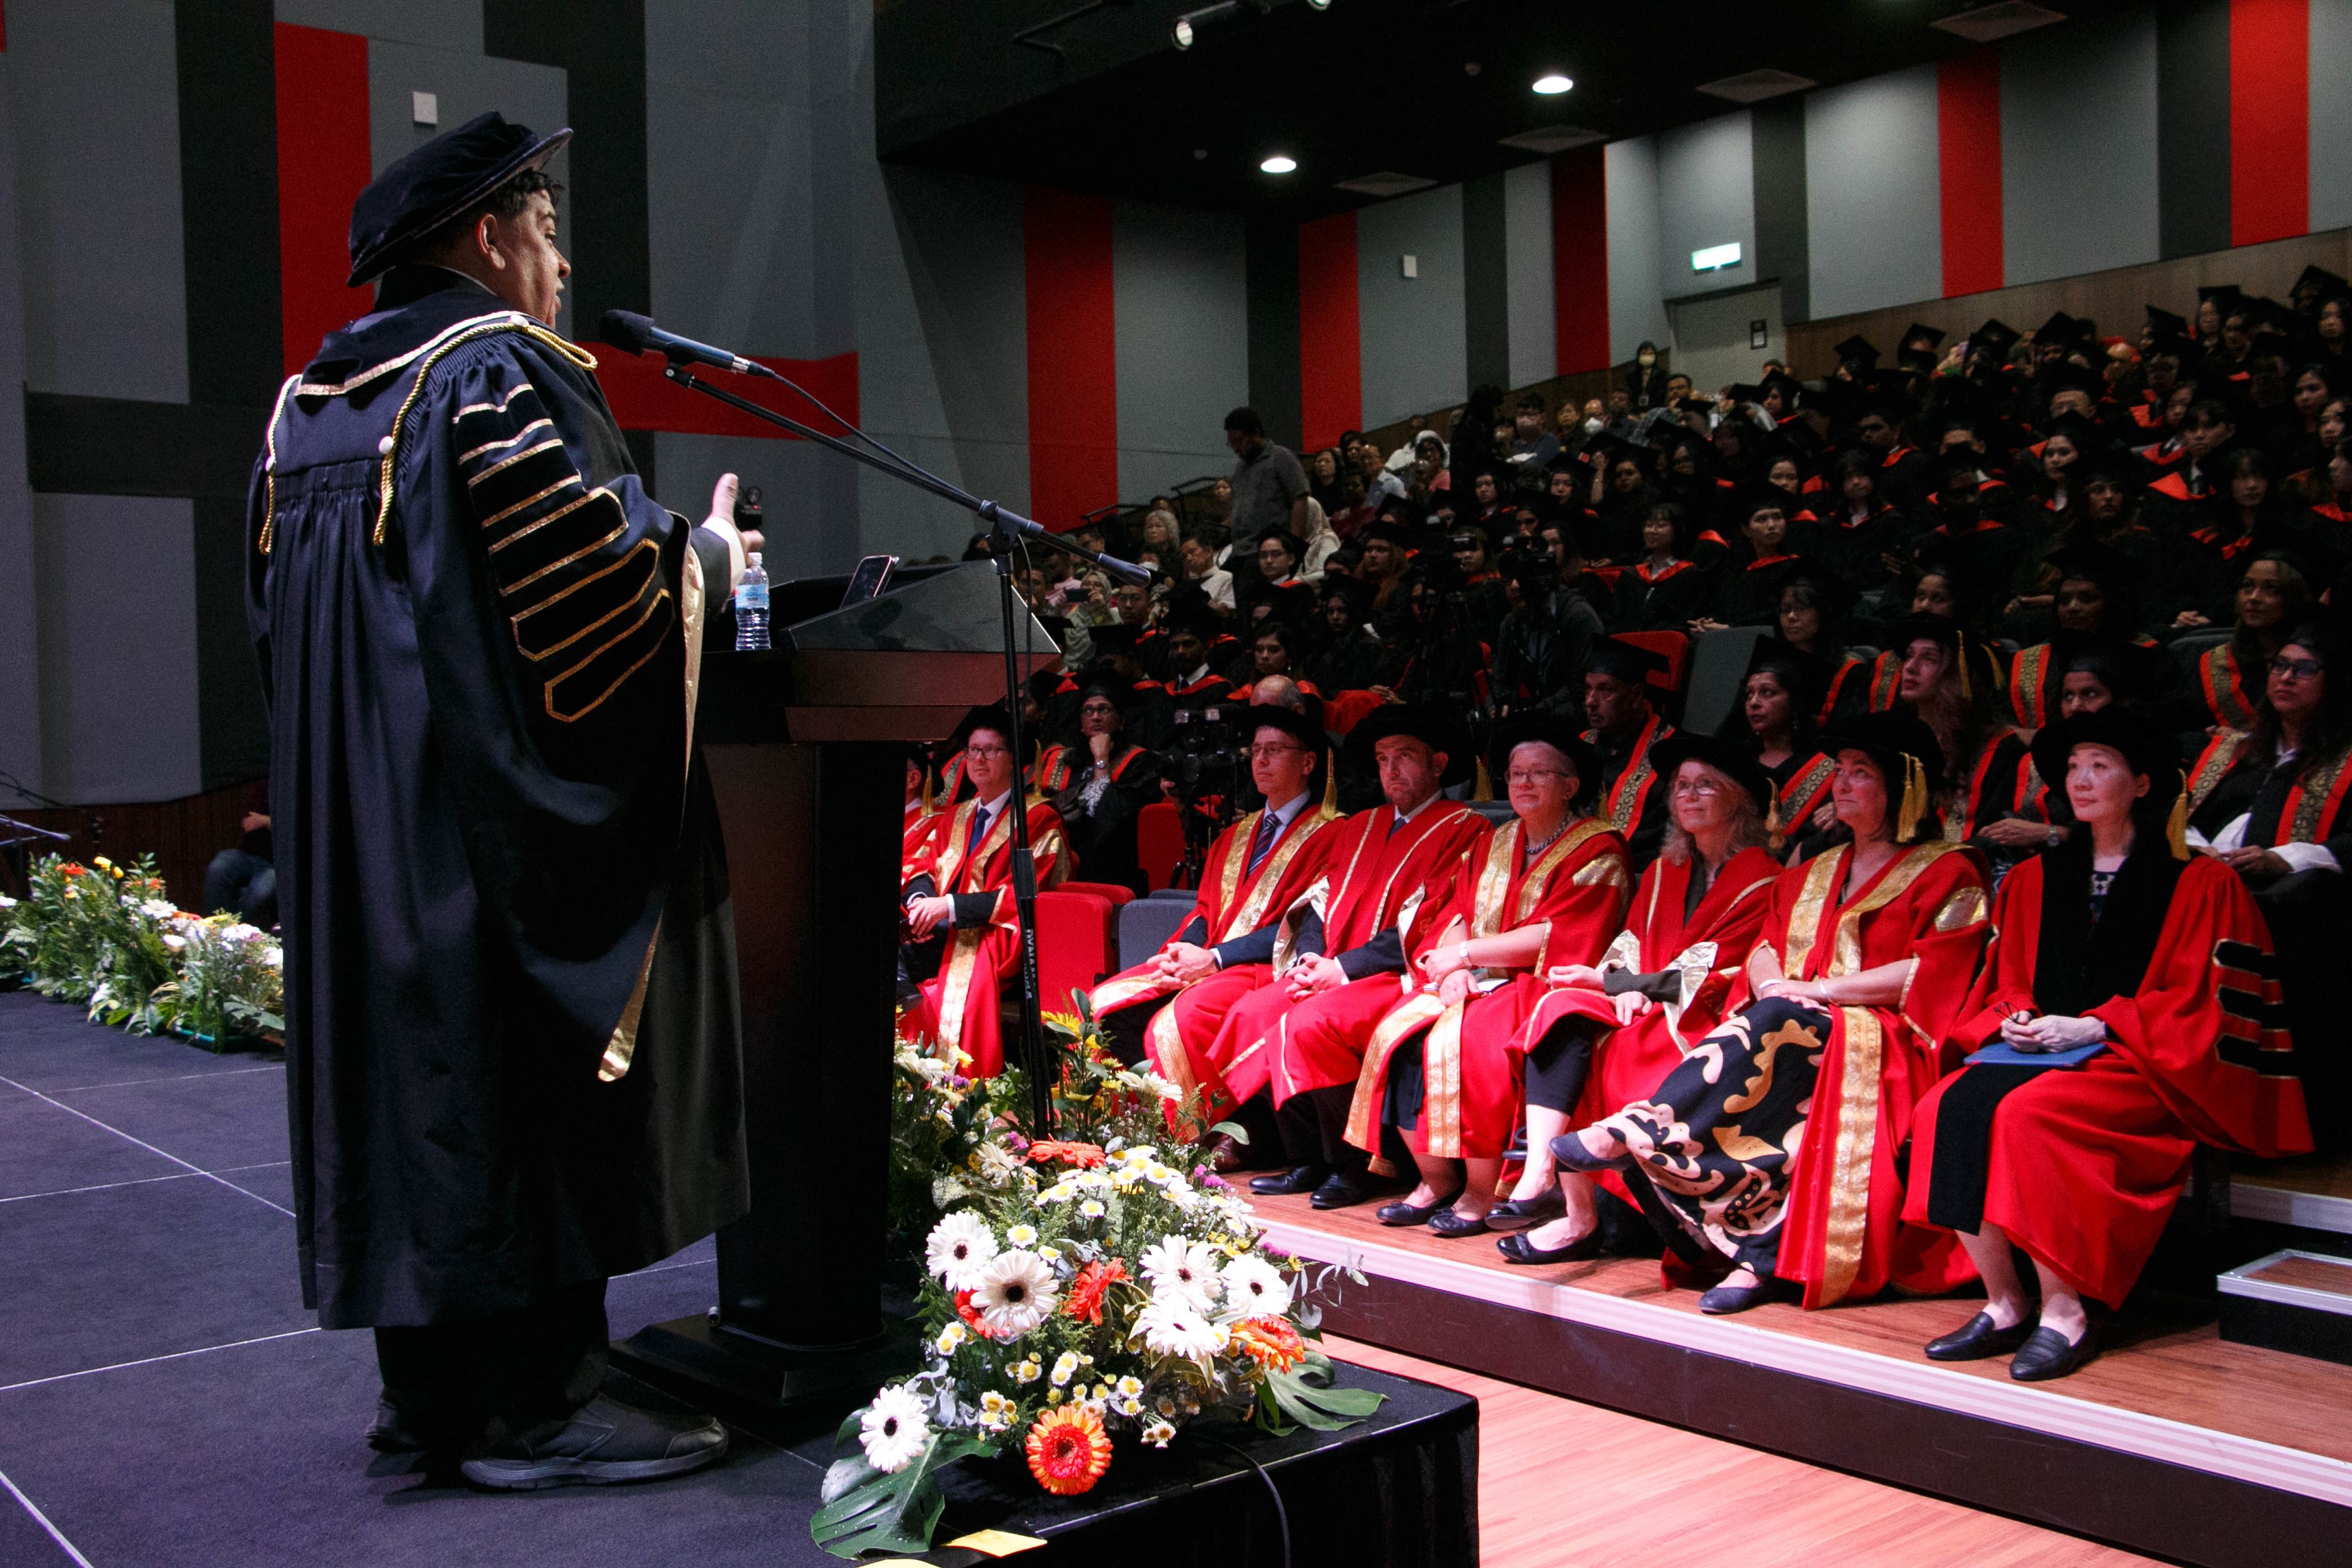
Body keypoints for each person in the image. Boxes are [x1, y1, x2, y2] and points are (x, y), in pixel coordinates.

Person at [247, 114, 747, 1484]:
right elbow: (589, 597)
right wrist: (702, 551)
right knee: (512, 1071)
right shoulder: (495, 374)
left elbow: (277, 632)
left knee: (407, 1095)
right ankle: (539, 1403)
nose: (562, 261)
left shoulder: (306, 410)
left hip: (359, 836)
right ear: (487, 237)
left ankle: (431, 1399)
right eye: (546, 228)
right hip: (476, 831)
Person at [1907, 710, 2311, 1379]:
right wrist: (2013, 1018)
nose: (2081, 779)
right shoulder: (2036, 878)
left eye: (2100, 765)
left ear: (2144, 783)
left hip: (2142, 1063)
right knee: (1942, 1106)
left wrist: (2100, 1025)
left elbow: (2199, 1002)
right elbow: (2004, 981)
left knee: (2026, 1116)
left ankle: (2066, 1309)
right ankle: (2004, 1301)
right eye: (2072, 767)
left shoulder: (2199, 880)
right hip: (2039, 1054)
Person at [1549, 711, 1989, 1312]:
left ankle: (1641, 1132)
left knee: (1778, 1027)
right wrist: (1781, 984)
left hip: (1883, 1036)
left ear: (1902, 786)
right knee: (1774, 1027)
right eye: (1840, 772)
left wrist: (1823, 993)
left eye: (1861, 773)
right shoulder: (1812, 871)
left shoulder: (1949, 870)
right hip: (1792, 1025)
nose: (1841, 784)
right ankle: (1751, 1256)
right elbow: (1762, 953)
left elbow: (1933, 973)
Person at [1338, 715, 1631, 1237]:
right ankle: (1436, 1178)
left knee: (1472, 1040)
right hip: (1473, 976)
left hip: (1543, 983)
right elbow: (1454, 909)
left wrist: (1466, 956)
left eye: (1538, 773)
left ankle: (1481, 1190)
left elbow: (1557, 934)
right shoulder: (1497, 840)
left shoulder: (1600, 847)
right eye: (1516, 772)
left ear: (1570, 785)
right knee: (1399, 1032)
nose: (1521, 783)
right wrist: (1450, 965)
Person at [1497, 734, 1783, 1263]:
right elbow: (1627, 943)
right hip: (1641, 1001)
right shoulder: (1662, 870)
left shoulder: (1766, 879)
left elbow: (1720, 973)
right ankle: (1555, 1187)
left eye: (1705, 786)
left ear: (1738, 799)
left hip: (1704, 1019)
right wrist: (1619, 980)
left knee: (1623, 1054)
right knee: (1560, 1007)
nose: (1688, 796)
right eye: (1680, 786)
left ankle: (1612, 1217)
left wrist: (1628, 987)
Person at [1230, 708, 1487, 1207]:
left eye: (1405, 757)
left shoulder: (1465, 827)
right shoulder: (1361, 825)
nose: (1391, 770)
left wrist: (1342, 969)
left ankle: (1359, 1163)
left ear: (1438, 763)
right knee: (1255, 1011)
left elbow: (1431, 917)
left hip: (1399, 976)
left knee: (1310, 1024)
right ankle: (1305, 1154)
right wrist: (1310, 959)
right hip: (1332, 969)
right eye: (1382, 759)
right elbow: (1319, 899)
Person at [1091, 706, 1340, 1099]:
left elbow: (1304, 924)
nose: (1260, 759)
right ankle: (1137, 1120)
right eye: (1256, 749)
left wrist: (1214, 959)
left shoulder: (1336, 835)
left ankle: (1214, 1127)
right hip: (1211, 960)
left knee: (1180, 1018)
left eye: (1274, 749)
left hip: (1265, 966)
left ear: (1308, 762)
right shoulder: (1237, 834)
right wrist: (1185, 950)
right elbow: (1206, 908)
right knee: (1104, 1004)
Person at [2187, 617, 2352, 1141]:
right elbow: (2176, 812)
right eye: (2280, 665)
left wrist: (2291, 859)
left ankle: (2289, 1122)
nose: (2286, 677)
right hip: (2211, 893)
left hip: (2311, 911)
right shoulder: (2231, 751)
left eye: (2305, 669)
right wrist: (2198, 849)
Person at [900, 707, 1067, 1078]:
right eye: (973, 750)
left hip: (999, 931)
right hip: (944, 924)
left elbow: (1027, 894)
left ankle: (950, 1079)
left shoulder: (1037, 817)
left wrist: (948, 906)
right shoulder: (956, 814)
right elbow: (924, 866)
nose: (978, 759)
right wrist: (920, 903)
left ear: (1014, 760)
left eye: (990, 750)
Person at [1047, 682, 1165, 896]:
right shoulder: (1067, 762)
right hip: (1070, 867)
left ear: (1121, 721)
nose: (1096, 717)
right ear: (1081, 724)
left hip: (1116, 869)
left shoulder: (1140, 762)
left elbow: (1106, 817)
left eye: (1104, 709)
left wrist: (1101, 759)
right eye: (1088, 710)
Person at [1583, 637, 1676, 868]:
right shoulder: (1580, 747)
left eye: (1605, 690)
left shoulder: (1670, 754)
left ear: (1636, 695)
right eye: (1588, 689)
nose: (1591, 701)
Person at [202, 810, 277, 927]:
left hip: (277, 863)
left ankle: (237, 934)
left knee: (262, 891)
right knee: (218, 869)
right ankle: (215, 929)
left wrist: (266, 821)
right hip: (247, 853)